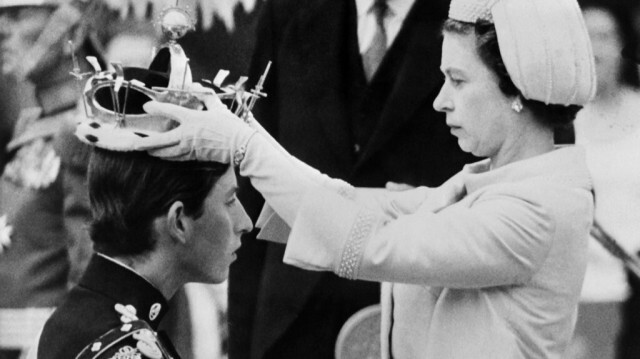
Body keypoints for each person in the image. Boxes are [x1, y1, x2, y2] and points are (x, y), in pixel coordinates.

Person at [127, 0, 598, 356]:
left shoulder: (536, 207)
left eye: (457, 80)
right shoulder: (484, 185)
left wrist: (243, 147)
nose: (441, 102)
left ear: (517, 88)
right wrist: (241, 133)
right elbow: (344, 200)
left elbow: (372, 245)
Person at [230, 0, 475, 357]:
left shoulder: (472, 15)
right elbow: (251, 182)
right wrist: (242, 343)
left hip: (414, 318)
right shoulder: (288, 10)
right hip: (287, 315)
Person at [36, 42, 253, 359]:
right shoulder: (125, 348)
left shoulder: (82, 317)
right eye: (230, 200)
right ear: (178, 221)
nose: (245, 223)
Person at [0, 1, 108, 357]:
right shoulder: (32, 126)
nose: (2, 30)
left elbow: (93, 275)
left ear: (73, 33)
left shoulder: (91, 131)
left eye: (18, 15)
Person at [565, 1, 640, 358]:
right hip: (569, 294)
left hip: (631, 292)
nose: (594, 48)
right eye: (585, 36)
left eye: (604, 36)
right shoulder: (554, 121)